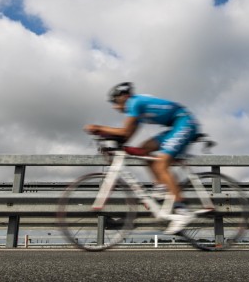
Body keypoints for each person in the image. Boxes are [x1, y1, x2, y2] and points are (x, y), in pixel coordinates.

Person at [84, 82, 199, 234]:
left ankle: (182, 211)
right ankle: (162, 187)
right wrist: (110, 146)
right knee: (144, 149)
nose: (115, 107)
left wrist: (99, 128)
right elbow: (125, 138)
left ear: (124, 97)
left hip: (185, 122)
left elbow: (124, 132)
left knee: (161, 165)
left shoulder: (135, 103)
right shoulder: (136, 111)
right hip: (176, 125)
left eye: (115, 102)